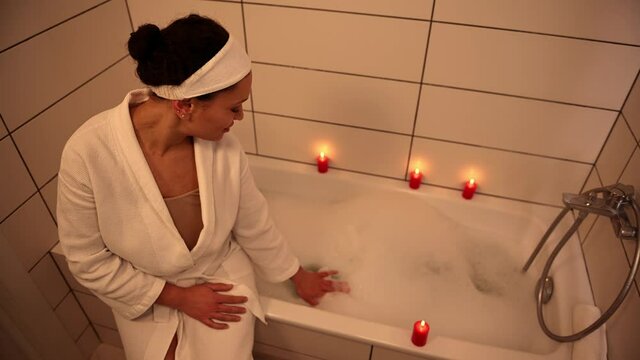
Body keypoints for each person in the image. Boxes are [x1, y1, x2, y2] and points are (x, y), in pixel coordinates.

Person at [57, 14, 339, 360]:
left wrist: (296, 275)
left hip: (217, 275)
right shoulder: (88, 153)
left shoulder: (224, 150)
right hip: (142, 288)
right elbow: (87, 260)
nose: (239, 118)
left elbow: (253, 223)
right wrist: (178, 297)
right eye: (234, 108)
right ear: (185, 105)